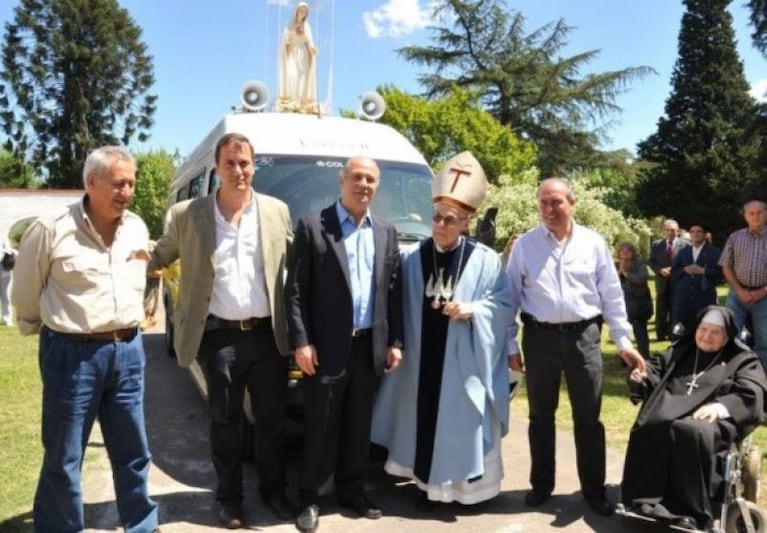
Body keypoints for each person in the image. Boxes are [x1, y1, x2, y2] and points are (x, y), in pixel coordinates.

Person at [148, 133, 294, 528]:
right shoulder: (190, 214)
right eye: (229, 163)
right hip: (220, 338)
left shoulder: (277, 212)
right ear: (217, 169)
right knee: (225, 425)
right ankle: (230, 501)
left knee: (270, 423)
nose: (238, 170)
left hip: (268, 335)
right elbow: (159, 256)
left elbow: (296, 266)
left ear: (254, 166)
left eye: (244, 162)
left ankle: (273, 491)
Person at [11, 146, 160, 532]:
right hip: (72, 356)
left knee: (133, 451)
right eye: (117, 183)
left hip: (127, 352)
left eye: (130, 183)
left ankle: (142, 524)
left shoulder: (138, 228)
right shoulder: (51, 229)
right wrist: (40, 328)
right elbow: (25, 291)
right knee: (64, 456)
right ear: (90, 182)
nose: (125, 191)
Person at [371, 152, 513, 511]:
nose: (440, 225)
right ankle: (424, 486)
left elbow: (504, 305)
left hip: (464, 360)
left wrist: (474, 310)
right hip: (421, 359)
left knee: (459, 425)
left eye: (450, 220)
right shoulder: (413, 256)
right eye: (436, 217)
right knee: (421, 419)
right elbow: (394, 301)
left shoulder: (485, 259)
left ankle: (465, 492)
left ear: (467, 222)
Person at [505, 177, 646, 516]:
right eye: (543, 203)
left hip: (585, 337)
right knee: (540, 415)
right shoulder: (525, 245)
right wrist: (510, 343)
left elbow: (612, 295)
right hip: (539, 338)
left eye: (556, 202)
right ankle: (541, 485)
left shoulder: (593, 243)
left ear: (572, 203)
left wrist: (623, 339)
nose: (549, 210)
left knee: (589, 416)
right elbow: (509, 297)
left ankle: (594, 491)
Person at [285, 156, 404, 533]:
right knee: (321, 425)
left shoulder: (385, 231)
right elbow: (296, 292)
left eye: (370, 179)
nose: (363, 185)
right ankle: (310, 498)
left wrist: (395, 340)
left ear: (376, 186)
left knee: (358, 425)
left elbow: (393, 292)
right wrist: (301, 341)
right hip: (325, 348)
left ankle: (352, 490)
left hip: (369, 347)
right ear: (342, 181)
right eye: (357, 177)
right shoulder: (313, 227)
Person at [621, 306, 767, 531]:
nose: (707, 336)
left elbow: (751, 392)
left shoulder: (742, 359)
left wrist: (722, 407)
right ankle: (644, 500)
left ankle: (687, 511)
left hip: (710, 418)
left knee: (690, 432)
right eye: (703, 329)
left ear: (727, 336)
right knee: (650, 425)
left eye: (715, 332)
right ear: (696, 329)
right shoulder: (682, 350)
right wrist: (641, 376)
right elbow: (654, 368)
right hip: (669, 410)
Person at [718, 199, 767, 368]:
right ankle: (730, 373)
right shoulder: (735, 237)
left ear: (765, 214)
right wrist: (739, 291)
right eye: (751, 213)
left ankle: (761, 378)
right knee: (729, 335)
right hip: (736, 295)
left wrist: (761, 292)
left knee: (765, 340)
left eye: (759, 212)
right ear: (745, 216)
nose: (756, 217)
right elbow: (726, 266)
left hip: (765, 297)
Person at [671, 222, 722, 333]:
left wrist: (703, 271)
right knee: (681, 330)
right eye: (693, 232)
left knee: (704, 328)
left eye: (699, 231)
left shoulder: (714, 252)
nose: (696, 234)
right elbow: (674, 272)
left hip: (704, 296)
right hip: (684, 297)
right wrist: (685, 270)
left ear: (704, 234)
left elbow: (721, 275)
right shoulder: (683, 252)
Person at [648, 219, 689, 341]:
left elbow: (687, 263)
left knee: (675, 309)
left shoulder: (685, 245)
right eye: (668, 230)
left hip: (678, 282)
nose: (670, 232)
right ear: (664, 231)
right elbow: (651, 261)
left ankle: (673, 334)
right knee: (661, 309)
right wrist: (660, 270)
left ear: (677, 231)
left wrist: (674, 270)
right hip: (661, 282)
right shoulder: (657, 245)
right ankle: (660, 335)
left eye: (673, 230)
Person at [277, 2, 318, 113]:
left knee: (302, 78)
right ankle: (290, 101)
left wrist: (312, 48)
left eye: (305, 11)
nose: (303, 13)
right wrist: (287, 42)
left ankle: (301, 103)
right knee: (292, 76)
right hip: (292, 54)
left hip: (303, 55)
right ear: (297, 11)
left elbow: (310, 41)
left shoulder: (307, 26)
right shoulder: (289, 25)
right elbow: (285, 40)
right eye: (301, 10)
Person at [617, 242, 653, 359]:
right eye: (622, 250)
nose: (625, 253)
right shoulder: (616, 265)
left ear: (633, 252)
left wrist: (626, 274)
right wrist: (618, 273)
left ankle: (644, 357)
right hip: (623, 304)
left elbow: (641, 279)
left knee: (640, 332)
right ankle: (625, 358)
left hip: (638, 304)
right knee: (623, 333)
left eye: (627, 250)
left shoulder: (640, 265)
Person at [0, 237, 15, 325]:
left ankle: (8, 319)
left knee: (6, 296)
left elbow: (9, 251)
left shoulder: (3, 238)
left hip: (5, 271)